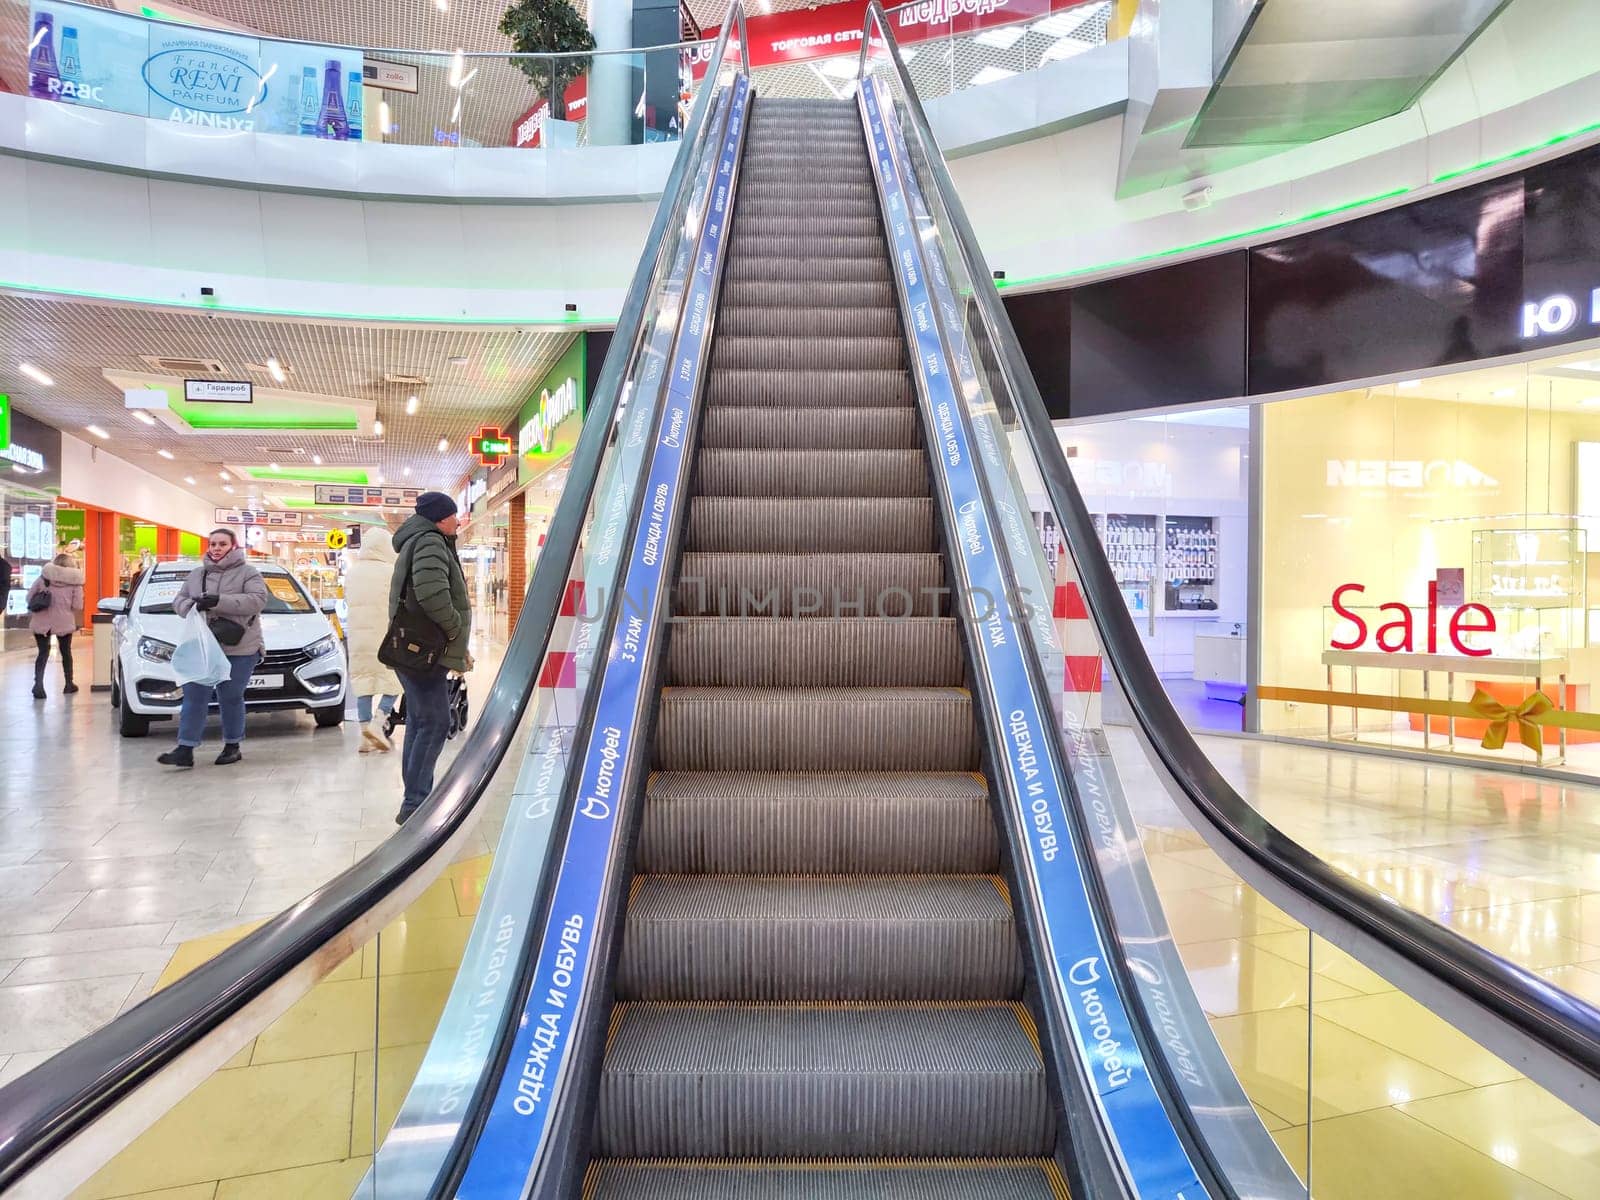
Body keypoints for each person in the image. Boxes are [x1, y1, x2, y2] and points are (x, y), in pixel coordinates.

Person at [389, 492, 471, 823]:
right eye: (453, 516)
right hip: (424, 651)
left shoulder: (420, 540)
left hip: (413, 649)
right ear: (440, 518)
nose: (458, 521)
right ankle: (416, 803)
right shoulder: (430, 543)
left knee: (422, 722)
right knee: (435, 723)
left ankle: (414, 800)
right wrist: (454, 629)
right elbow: (432, 594)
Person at [159, 529, 269, 768]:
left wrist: (219, 601)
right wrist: (192, 605)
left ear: (233, 546)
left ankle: (232, 745)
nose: (217, 548)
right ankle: (185, 748)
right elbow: (178, 601)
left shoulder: (248, 572)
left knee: (230, 696)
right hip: (202, 645)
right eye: (213, 544)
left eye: (222, 544)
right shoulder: (197, 574)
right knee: (194, 695)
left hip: (239, 646)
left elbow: (258, 600)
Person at [343, 525, 401, 753]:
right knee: (394, 679)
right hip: (385, 636)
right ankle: (379, 722)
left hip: (358, 637)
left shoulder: (353, 572)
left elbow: (348, 600)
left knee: (363, 683)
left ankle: (364, 736)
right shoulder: (391, 571)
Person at [27, 553, 84, 699]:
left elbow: (29, 597)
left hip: (41, 621)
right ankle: (69, 684)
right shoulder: (75, 582)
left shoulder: (43, 578)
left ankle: (38, 685)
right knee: (66, 652)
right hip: (64, 621)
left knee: (43, 652)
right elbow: (78, 605)